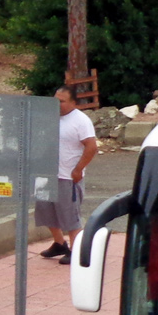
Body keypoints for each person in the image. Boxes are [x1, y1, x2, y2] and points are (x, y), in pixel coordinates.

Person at [34, 85, 97, 265]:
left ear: (73, 103)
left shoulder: (81, 121)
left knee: (70, 217)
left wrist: (78, 170)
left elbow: (91, 147)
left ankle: (77, 251)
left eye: (61, 101)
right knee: (46, 212)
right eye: (56, 100)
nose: (57, 104)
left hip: (67, 177)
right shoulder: (49, 118)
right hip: (46, 174)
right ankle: (59, 243)